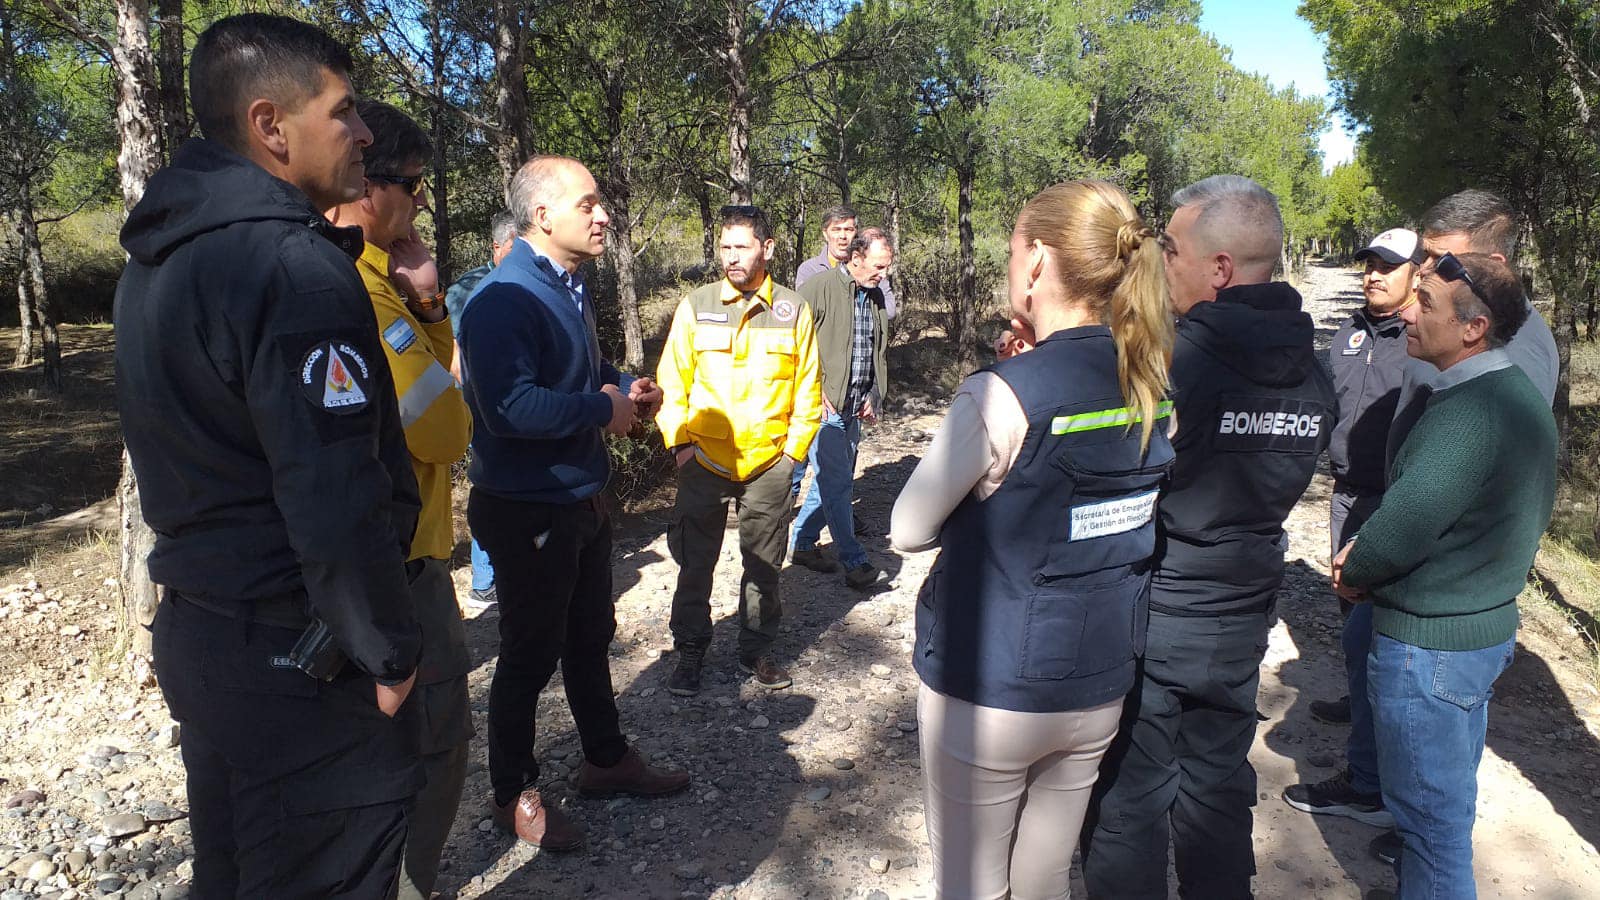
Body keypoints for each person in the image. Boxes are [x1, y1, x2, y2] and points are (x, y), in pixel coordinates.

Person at [115, 14, 423, 897]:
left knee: (236, 871)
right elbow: (333, 490)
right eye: (344, 111)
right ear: (270, 125)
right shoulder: (290, 267)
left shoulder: (159, 259)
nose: (364, 133)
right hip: (298, 659)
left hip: (207, 636)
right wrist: (389, 651)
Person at [889, 180, 1174, 899]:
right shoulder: (1153, 380)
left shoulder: (1001, 392)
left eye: (1013, 248)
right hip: (1100, 679)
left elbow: (906, 528)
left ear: (1039, 261)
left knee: (972, 885)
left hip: (991, 687)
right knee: (1046, 877)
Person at [1080, 175, 1337, 900]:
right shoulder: (1313, 371)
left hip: (1159, 610)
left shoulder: (1174, 364)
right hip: (1243, 611)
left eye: (1170, 248)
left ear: (1218, 268)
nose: (1162, 262)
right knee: (1218, 785)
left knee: (1132, 796)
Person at [458, 155, 689, 852]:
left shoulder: (569, 285)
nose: (603, 215)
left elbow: (577, 373)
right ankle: (511, 792)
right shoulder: (503, 299)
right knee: (528, 655)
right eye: (587, 203)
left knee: (590, 638)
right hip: (528, 508)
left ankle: (605, 759)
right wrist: (601, 408)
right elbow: (507, 408)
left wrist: (624, 387)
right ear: (542, 215)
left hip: (579, 500)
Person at [1333, 252, 1555, 899]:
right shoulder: (1512, 395)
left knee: (1429, 829)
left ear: (1472, 328)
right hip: (1474, 640)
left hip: (1428, 654)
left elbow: (1403, 528)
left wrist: (1356, 565)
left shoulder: (1467, 414)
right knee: (1445, 812)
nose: (1406, 308)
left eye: (1424, 303)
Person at [325, 99, 473, 900]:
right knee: (435, 739)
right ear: (371, 187)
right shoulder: (360, 290)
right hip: (404, 563)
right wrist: (421, 310)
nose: (419, 204)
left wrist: (430, 307)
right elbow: (446, 430)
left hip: (392, 555)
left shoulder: (387, 287)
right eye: (413, 186)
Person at [1283, 229, 1422, 830]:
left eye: (1388, 267)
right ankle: (1358, 699)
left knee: (1381, 629)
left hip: (1391, 500)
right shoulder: (1352, 327)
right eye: (1370, 265)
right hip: (1346, 492)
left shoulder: (1420, 340)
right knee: (1350, 621)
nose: (1374, 276)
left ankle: (1378, 771)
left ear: (1417, 274)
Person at [657, 204, 824, 696]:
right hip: (703, 462)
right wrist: (681, 446)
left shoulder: (793, 310)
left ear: (767, 249)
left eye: (741, 246)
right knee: (694, 562)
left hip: (768, 464)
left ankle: (755, 650)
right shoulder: (697, 304)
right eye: (724, 246)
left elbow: (808, 390)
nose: (730, 257)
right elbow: (673, 383)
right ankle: (690, 652)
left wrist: (793, 455)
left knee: (763, 564)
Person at [789, 227, 894, 589]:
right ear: (857, 257)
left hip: (854, 406)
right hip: (821, 407)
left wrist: (875, 394)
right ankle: (854, 560)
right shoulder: (818, 289)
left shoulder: (876, 295)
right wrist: (812, 391)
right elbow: (788, 345)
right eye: (879, 266)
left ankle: (802, 543)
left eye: (887, 267)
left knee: (833, 480)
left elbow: (876, 350)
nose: (884, 274)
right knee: (837, 485)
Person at [444, 209, 516, 608]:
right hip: (476, 404)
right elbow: (451, 352)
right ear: (496, 246)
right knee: (486, 479)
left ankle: (498, 573)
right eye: (512, 247)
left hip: (505, 400)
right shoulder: (468, 289)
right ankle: (485, 578)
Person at [795, 205, 898, 317]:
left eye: (848, 230)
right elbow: (804, 311)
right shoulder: (810, 269)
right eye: (836, 229)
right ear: (825, 234)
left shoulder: (871, 267)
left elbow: (889, 311)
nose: (843, 236)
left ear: (856, 232)